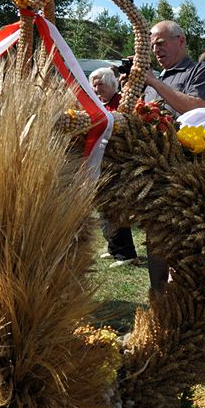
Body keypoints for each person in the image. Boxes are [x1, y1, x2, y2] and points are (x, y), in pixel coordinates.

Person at [91, 67, 139, 268]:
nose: (96, 88)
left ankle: (126, 253)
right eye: (93, 84)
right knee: (104, 207)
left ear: (112, 84)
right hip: (103, 164)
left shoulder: (122, 104)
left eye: (100, 84)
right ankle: (113, 247)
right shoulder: (99, 105)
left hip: (118, 164)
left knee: (116, 207)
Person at [143, 20, 205, 117]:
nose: (155, 50)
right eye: (152, 46)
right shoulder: (154, 79)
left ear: (181, 41)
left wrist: (153, 81)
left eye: (160, 43)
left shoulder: (201, 71)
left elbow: (197, 110)